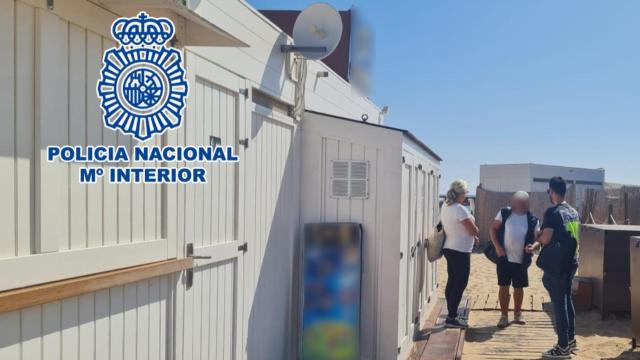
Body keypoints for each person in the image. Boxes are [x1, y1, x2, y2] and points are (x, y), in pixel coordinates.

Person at [526, 177, 580, 359]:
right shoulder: (573, 212)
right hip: (572, 263)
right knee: (566, 301)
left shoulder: (553, 212)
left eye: (548, 192)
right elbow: (563, 237)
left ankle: (563, 347)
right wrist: (536, 246)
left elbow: (547, 238)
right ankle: (571, 340)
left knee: (559, 305)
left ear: (552, 191)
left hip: (558, 266)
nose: (548, 195)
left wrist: (537, 235)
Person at [489, 191, 540, 329]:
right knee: (503, 286)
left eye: (523, 201)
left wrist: (533, 246)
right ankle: (504, 316)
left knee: (519, 287)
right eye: (518, 200)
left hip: (522, 260)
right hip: (504, 258)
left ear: (527, 202)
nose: (520, 203)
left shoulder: (533, 219)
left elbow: (538, 239)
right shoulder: (505, 213)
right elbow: (493, 229)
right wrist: (498, 247)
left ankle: (518, 314)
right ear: (514, 201)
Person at [440, 179, 479, 328]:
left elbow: (458, 227)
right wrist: (476, 232)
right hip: (460, 250)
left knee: (452, 281)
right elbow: (472, 229)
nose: (467, 195)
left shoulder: (446, 205)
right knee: (460, 282)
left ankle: (451, 314)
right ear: (461, 193)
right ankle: (451, 317)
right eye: (466, 192)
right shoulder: (459, 209)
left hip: (450, 247)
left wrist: (472, 234)